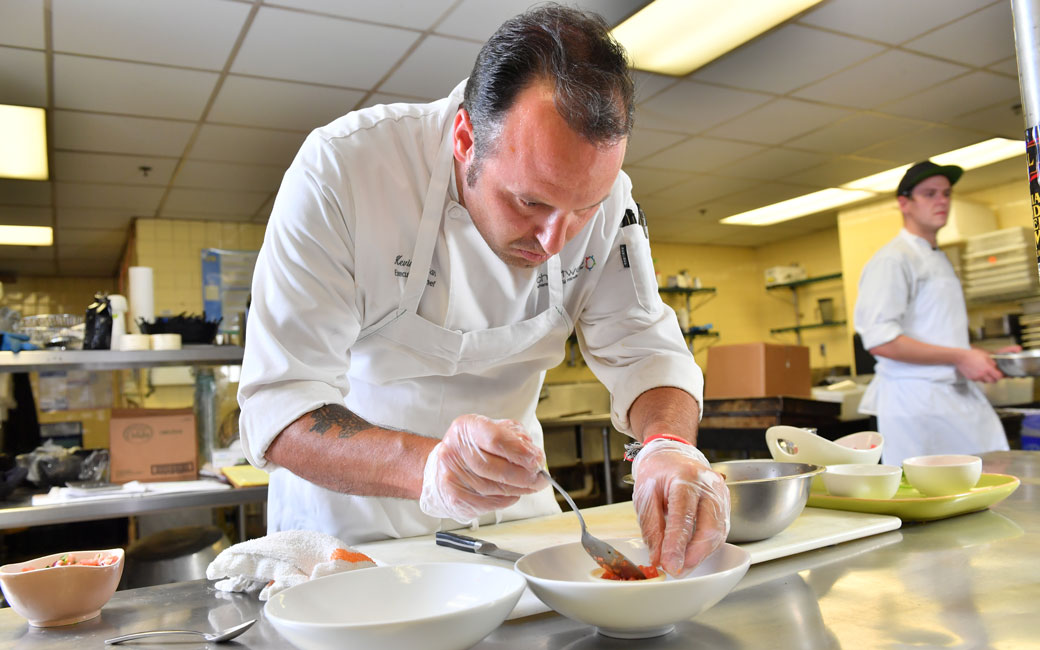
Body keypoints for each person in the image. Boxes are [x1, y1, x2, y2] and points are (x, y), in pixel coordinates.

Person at [238, 5, 729, 577]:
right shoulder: (342, 171)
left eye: (583, 210)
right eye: (531, 202)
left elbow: (646, 350)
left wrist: (668, 447)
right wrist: (431, 467)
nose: (554, 240)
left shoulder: (612, 201)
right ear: (466, 138)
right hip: (353, 539)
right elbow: (281, 405)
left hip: (518, 529)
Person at [854, 160, 1013, 465]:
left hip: (951, 396)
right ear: (905, 204)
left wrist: (982, 354)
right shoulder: (893, 259)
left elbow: (935, 332)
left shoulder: (936, 258)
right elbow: (881, 340)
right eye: (929, 194)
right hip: (917, 404)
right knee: (932, 499)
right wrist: (961, 357)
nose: (942, 201)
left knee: (985, 484)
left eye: (946, 193)